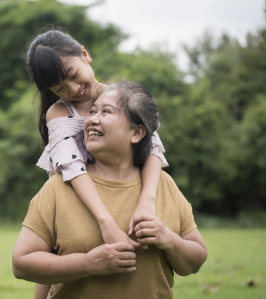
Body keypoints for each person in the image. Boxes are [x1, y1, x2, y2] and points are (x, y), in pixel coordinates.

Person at [12, 80, 207, 299]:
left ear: (137, 133)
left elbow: (195, 262)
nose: (92, 119)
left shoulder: (163, 185)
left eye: (106, 112)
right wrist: (89, 263)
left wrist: (168, 239)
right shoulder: (59, 187)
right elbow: (21, 264)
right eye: (92, 111)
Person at [26, 29, 168, 297]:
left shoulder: (123, 98)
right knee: (52, 247)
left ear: (85, 54)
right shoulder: (59, 112)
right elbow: (73, 167)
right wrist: (106, 222)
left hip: (122, 183)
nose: (72, 90)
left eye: (73, 76)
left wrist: (147, 201)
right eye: (59, 88)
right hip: (77, 190)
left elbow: (153, 149)